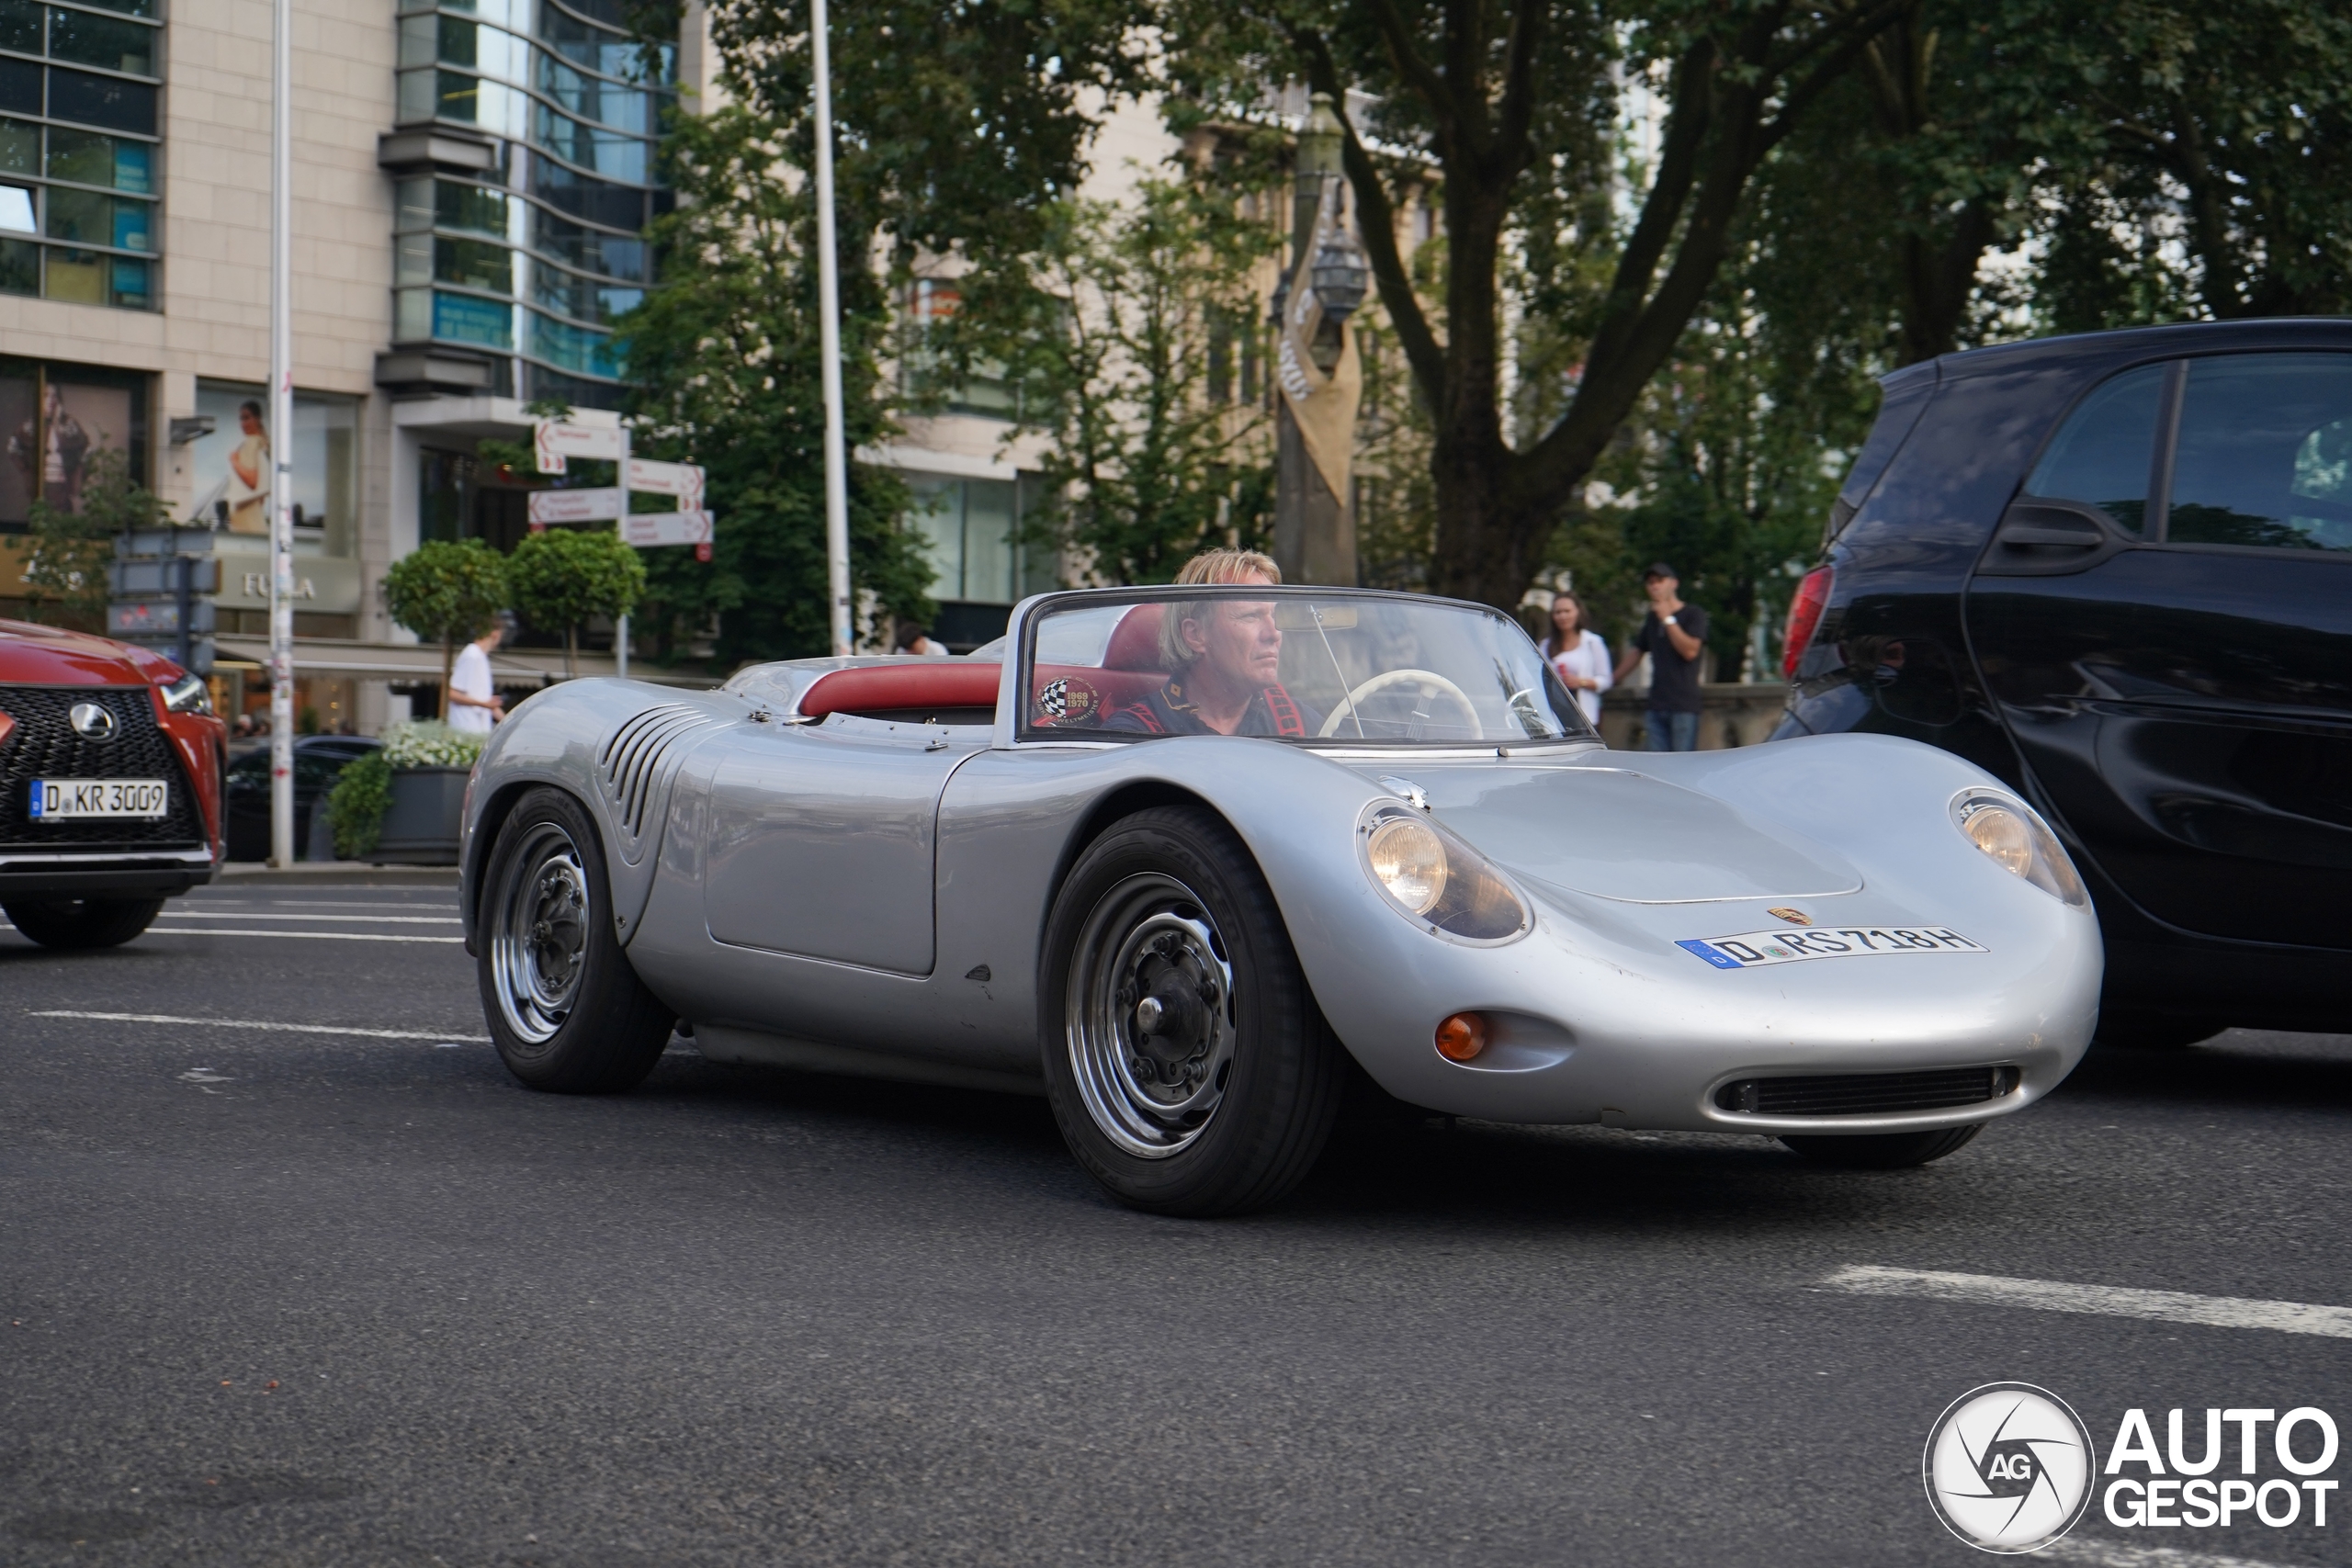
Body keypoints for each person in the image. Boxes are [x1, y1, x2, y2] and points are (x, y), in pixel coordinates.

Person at [1100, 548, 1323, 737]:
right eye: (1251, 616)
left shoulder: (1300, 723)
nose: (1274, 633)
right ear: (1196, 635)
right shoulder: (1134, 735)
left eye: (1274, 616)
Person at [1612, 562, 1708, 751]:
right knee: (1657, 767)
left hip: (1684, 705)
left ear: (1674, 583)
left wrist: (1668, 619)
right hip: (1656, 703)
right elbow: (1637, 651)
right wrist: (1610, 679)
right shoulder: (1652, 618)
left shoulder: (1693, 614)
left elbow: (1690, 651)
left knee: (1682, 767)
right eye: (1650, 582)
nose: (1655, 586)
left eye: (1660, 581)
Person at [1541, 592, 1611, 727]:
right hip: (1553, 715)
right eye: (1558, 612)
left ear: (1578, 612)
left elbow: (1605, 680)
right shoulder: (1546, 645)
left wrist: (1580, 682)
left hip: (1584, 715)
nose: (1563, 616)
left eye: (1567, 611)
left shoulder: (1592, 642)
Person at [447, 613, 513, 734]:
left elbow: (488, 704)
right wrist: (484, 704)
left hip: (476, 730)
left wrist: (510, 723)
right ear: (495, 634)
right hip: (465, 729)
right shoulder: (471, 655)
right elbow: (452, 694)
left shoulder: (481, 657)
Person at [225, 400, 269, 536]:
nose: (243, 424)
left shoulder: (252, 443)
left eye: (247, 418)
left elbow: (252, 481)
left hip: (245, 517)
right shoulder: (263, 445)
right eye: (241, 419)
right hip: (254, 515)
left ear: (257, 419)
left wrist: (234, 461)